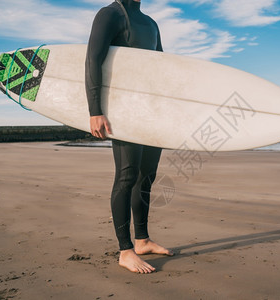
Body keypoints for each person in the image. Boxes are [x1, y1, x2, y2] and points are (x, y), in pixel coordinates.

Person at [85, 0, 173, 274]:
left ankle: (142, 240)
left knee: (147, 175)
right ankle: (125, 251)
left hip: (150, 111)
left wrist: (169, 111)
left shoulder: (151, 24)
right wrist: (95, 110)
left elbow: (160, 69)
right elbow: (93, 59)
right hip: (123, 110)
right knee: (126, 175)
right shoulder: (109, 14)